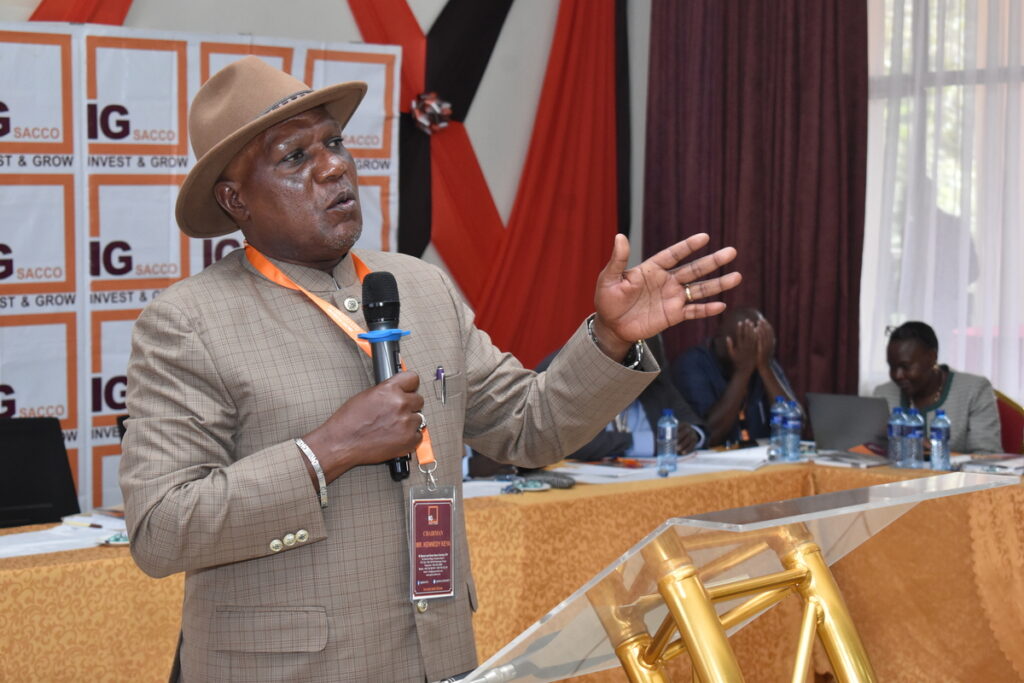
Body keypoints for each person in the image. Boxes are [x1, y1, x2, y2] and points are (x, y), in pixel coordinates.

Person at [118, 57, 741, 683]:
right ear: (235, 200)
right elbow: (161, 530)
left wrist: (609, 337)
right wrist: (326, 452)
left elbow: (532, 428)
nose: (333, 167)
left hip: (435, 659)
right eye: (295, 157)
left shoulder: (420, 287)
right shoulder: (188, 323)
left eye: (334, 142)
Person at [534, 335, 707, 460]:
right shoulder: (565, 372)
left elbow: (695, 423)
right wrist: (646, 443)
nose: (640, 379)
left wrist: (692, 435)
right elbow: (560, 441)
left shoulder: (653, 378)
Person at [672, 307, 797, 447]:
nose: (754, 349)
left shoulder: (763, 359)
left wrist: (765, 368)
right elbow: (709, 434)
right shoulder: (693, 363)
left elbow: (795, 424)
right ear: (724, 341)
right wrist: (743, 371)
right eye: (747, 341)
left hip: (762, 454)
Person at [873, 321, 1002, 454]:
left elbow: (987, 455)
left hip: (955, 468)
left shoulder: (974, 390)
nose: (897, 375)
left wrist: (937, 453)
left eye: (905, 367)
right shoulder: (883, 394)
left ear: (932, 357)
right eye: (892, 367)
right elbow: (871, 451)